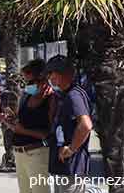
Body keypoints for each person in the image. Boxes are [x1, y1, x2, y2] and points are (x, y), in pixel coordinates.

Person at [1, 59, 54, 193]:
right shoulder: (26, 95)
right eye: (25, 82)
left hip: (37, 153)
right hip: (20, 152)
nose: (27, 85)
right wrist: (10, 119)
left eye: (30, 82)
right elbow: (21, 120)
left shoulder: (51, 99)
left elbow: (48, 134)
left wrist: (23, 130)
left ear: (42, 78)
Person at [46, 56, 93, 193]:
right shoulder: (64, 95)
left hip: (71, 168)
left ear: (63, 73)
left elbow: (86, 125)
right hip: (63, 168)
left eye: (51, 73)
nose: (49, 78)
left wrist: (71, 148)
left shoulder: (74, 96)